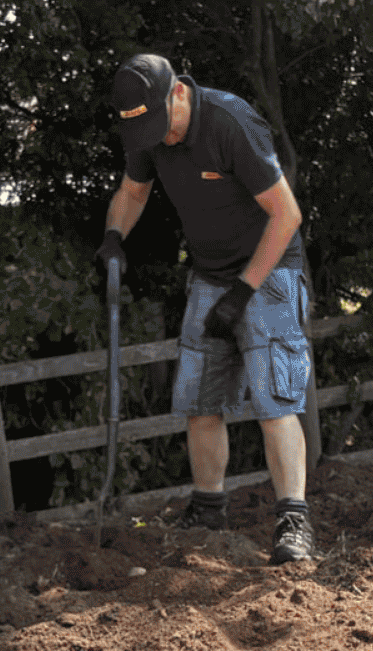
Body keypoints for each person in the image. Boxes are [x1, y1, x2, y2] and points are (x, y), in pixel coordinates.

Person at [99, 54, 318, 565]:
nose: (160, 138)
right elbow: (133, 194)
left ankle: (293, 521)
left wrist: (244, 291)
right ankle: (207, 508)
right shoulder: (150, 134)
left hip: (269, 269)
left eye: (162, 123)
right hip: (209, 274)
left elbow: (287, 214)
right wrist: (113, 235)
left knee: (274, 401)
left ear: (178, 92)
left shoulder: (229, 122)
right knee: (199, 399)